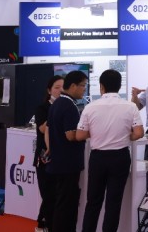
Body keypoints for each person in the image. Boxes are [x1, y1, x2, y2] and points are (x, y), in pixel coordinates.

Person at [76, 69, 144, 232]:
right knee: (114, 202)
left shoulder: (90, 107)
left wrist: (96, 133)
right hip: (120, 157)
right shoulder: (130, 107)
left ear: (101, 86)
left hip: (98, 158)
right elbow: (139, 133)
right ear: (119, 86)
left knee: (93, 201)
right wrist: (125, 136)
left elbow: (80, 135)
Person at [46, 70, 88, 232]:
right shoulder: (69, 106)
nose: (84, 89)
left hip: (59, 161)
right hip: (68, 163)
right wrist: (89, 133)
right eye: (83, 85)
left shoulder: (57, 103)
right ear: (73, 86)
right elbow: (71, 135)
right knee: (67, 203)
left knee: (62, 201)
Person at [34, 75, 64, 232]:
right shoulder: (43, 107)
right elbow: (42, 128)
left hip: (60, 156)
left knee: (56, 193)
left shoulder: (67, 106)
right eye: (57, 87)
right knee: (48, 193)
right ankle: (44, 224)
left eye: (63, 87)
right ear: (49, 90)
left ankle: (44, 222)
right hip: (44, 156)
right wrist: (55, 111)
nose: (60, 90)